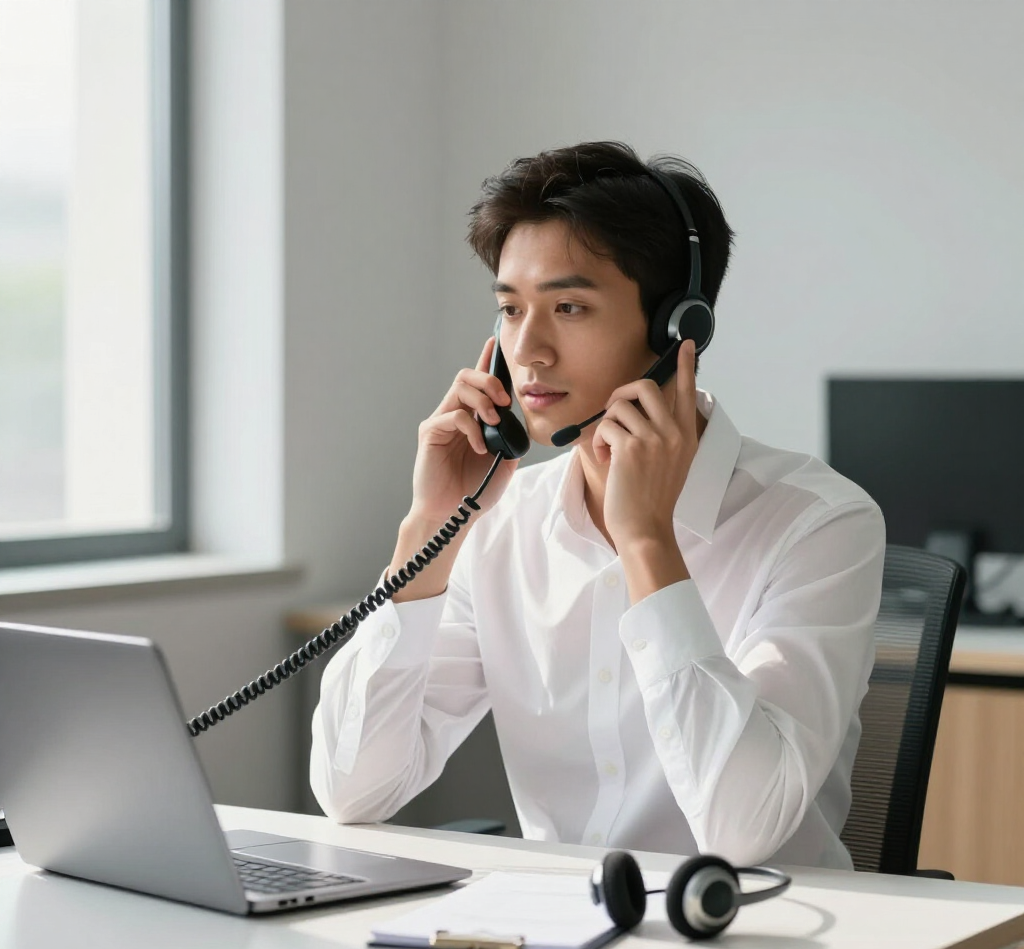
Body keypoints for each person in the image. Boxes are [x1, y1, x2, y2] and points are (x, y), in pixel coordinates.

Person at [309, 141, 885, 870]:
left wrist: (645, 541)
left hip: (763, 945)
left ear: (679, 328)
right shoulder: (500, 525)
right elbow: (351, 790)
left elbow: (744, 830)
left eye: (570, 307)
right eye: (510, 311)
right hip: (556, 948)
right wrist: (428, 529)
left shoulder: (819, 523)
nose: (529, 350)